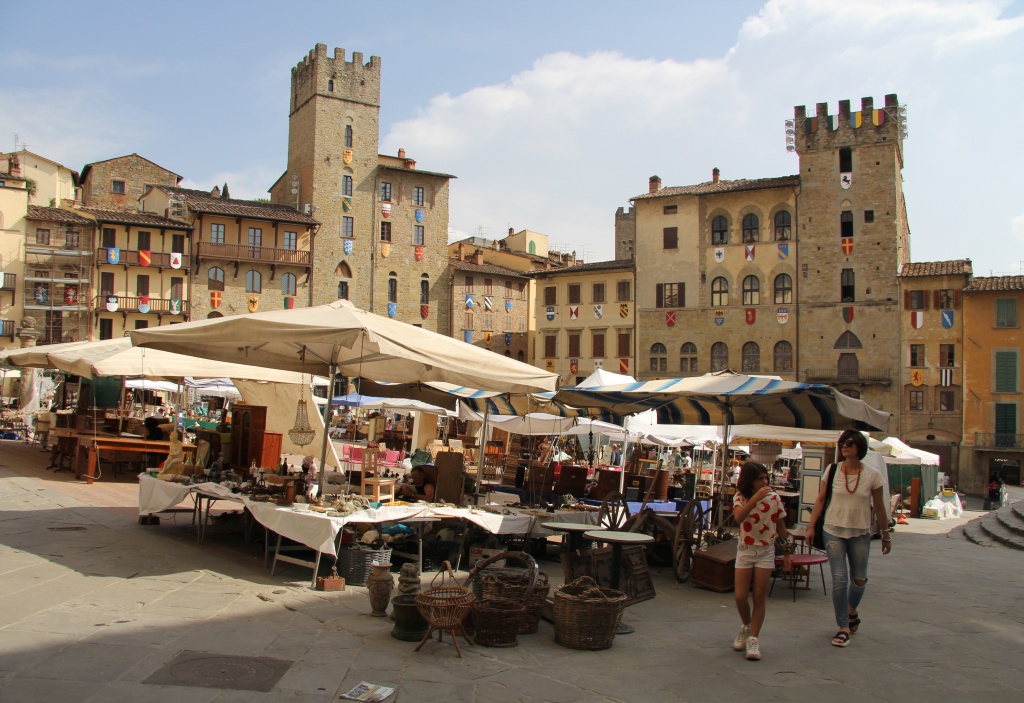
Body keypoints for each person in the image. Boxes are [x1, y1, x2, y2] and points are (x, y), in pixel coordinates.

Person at [805, 430, 892, 648]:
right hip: (833, 530)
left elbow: (880, 507)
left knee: (860, 580)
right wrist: (811, 526)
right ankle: (843, 626)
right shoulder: (832, 470)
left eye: (849, 443)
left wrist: (885, 534)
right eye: (842, 443)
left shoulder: (872, 475)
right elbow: (820, 499)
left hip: (860, 532)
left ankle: (852, 609)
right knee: (840, 580)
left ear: (859, 447)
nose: (844, 446)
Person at [731, 461, 789, 661]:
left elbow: (781, 527)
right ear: (750, 481)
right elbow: (738, 517)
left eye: (766, 478)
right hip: (745, 549)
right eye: (760, 479)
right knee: (740, 596)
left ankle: (753, 638)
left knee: (759, 596)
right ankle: (746, 625)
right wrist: (755, 498)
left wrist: (787, 554)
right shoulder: (740, 497)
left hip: (765, 550)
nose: (764, 482)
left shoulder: (774, 499)